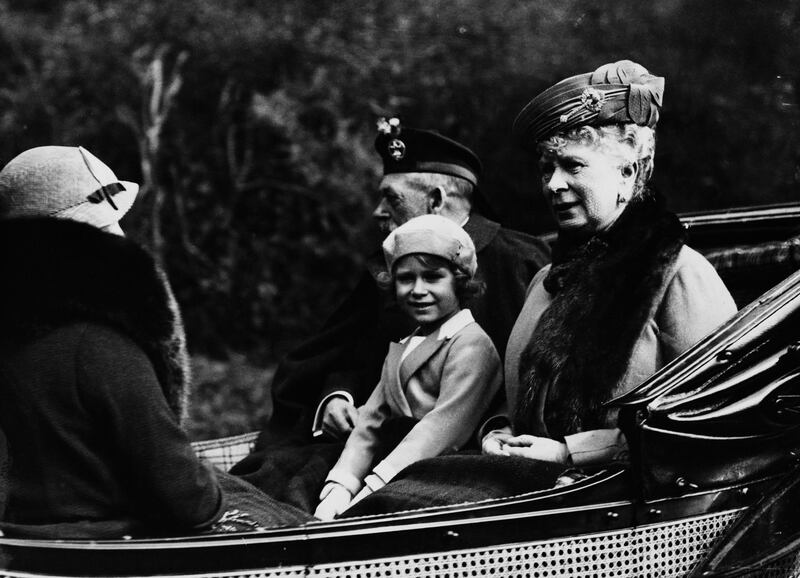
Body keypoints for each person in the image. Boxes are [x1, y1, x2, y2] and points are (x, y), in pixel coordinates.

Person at [342, 60, 738, 516]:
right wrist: (495, 431)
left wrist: (571, 452)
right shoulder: (545, 283)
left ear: (629, 172)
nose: (553, 184)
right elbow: (513, 403)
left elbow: (712, 420)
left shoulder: (678, 274)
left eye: (573, 165)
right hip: (533, 492)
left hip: (628, 510)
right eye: (547, 167)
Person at [231, 120, 550, 510]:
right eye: (407, 280)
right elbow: (345, 353)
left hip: (467, 455)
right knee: (277, 480)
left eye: (392, 199)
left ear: (435, 199)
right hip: (372, 441)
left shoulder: (523, 263)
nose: (378, 212)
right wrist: (336, 396)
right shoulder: (386, 267)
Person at [0, 146, 310, 539]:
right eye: (106, 231)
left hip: (25, 539)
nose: (121, 241)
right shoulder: (99, 345)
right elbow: (188, 500)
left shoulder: (17, 336)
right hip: (111, 545)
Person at [314, 215, 502, 520]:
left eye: (431, 277)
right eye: (405, 278)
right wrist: (341, 486)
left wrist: (371, 487)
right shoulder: (405, 344)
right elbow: (371, 421)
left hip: (443, 467)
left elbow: (441, 428)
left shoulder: (472, 345)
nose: (417, 289)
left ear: (460, 281)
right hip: (393, 462)